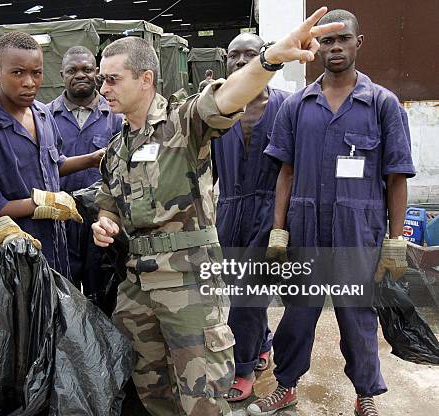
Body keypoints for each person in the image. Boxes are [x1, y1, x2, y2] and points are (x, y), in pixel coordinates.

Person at [91, 8, 345, 416]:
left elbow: (228, 96)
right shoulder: (119, 146)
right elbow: (109, 198)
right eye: (103, 78)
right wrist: (106, 221)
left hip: (187, 284)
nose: (103, 87)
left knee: (203, 396)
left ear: (145, 79)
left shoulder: (182, 121)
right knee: (150, 387)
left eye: (112, 78)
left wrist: (269, 60)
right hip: (137, 286)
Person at [247, 10, 415, 416]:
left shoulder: (381, 104)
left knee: (357, 317)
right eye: (326, 41)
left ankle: (365, 395)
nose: (334, 48)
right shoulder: (298, 106)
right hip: (305, 228)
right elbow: (285, 172)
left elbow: (396, 178)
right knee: (298, 316)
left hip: (358, 231)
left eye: (343, 40)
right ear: (314, 46)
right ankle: (286, 386)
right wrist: (278, 231)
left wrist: (395, 240)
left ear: (359, 43)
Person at [0, 32, 100, 281]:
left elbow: (54, 164)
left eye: (37, 73)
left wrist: (92, 159)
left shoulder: (42, 114)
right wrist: (43, 204)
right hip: (18, 259)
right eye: (18, 73)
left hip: (58, 252)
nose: (29, 82)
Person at [211, 33, 291, 402]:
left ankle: (241, 367)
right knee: (243, 290)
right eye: (234, 55)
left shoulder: (288, 107)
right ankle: (261, 343)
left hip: (270, 210)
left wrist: (284, 225)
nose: (241, 62)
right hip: (229, 210)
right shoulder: (215, 113)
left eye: (250, 54)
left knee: (247, 293)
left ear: (266, 58)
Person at [48, 46, 122, 303]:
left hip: (100, 223)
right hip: (58, 221)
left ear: (97, 73)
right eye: (72, 70)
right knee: (62, 298)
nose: (80, 75)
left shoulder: (115, 116)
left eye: (87, 69)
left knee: (102, 295)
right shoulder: (44, 117)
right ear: (61, 75)